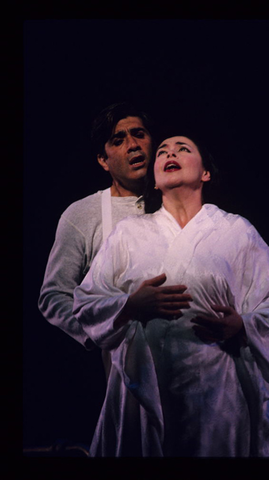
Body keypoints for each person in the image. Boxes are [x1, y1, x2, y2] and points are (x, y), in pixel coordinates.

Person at [73, 133, 269, 457]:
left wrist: (244, 325)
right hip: (141, 388)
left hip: (215, 391)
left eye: (182, 149)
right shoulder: (129, 233)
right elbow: (85, 300)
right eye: (162, 151)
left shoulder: (235, 231)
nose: (169, 153)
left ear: (205, 172)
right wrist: (130, 304)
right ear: (154, 178)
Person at [38, 103, 189, 378]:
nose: (132, 145)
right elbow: (53, 295)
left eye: (139, 134)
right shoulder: (83, 214)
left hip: (188, 364)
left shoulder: (179, 203)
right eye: (118, 141)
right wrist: (102, 331)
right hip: (121, 370)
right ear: (103, 160)